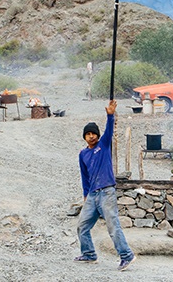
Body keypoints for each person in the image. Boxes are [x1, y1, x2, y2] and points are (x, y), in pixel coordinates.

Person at [74, 99, 136, 271]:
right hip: (92, 195)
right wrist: (85, 194)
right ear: (84, 136)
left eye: (93, 133)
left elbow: (109, 129)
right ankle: (89, 254)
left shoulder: (104, 145)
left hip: (107, 191)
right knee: (82, 226)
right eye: (88, 134)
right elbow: (84, 176)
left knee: (112, 225)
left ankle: (126, 255)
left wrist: (110, 115)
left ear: (98, 135)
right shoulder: (83, 154)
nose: (91, 136)